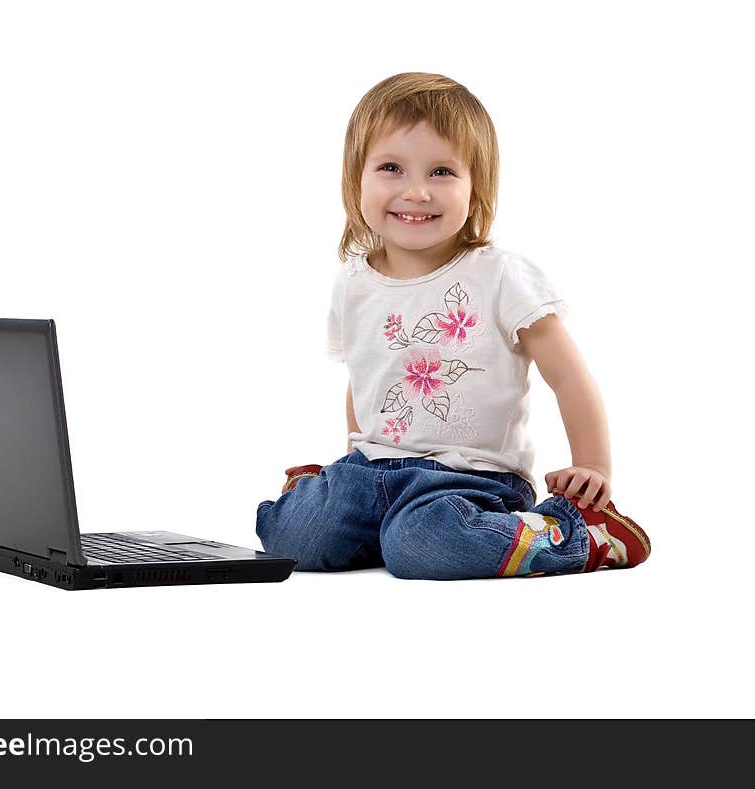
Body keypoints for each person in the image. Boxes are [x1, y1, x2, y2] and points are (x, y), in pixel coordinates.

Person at [255, 72, 650, 579]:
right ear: (357, 178)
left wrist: (593, 467)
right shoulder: (353, 282)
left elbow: (569, 376)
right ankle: (343, 509)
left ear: (475, 188)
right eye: (391, 168)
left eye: (441, 172)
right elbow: (365, 378)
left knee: (424, 544)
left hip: (472, 476)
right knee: (297, 541)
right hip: (372, 467)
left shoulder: (500, 275)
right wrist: (353, 451)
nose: (416, 192)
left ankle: (580, 532)